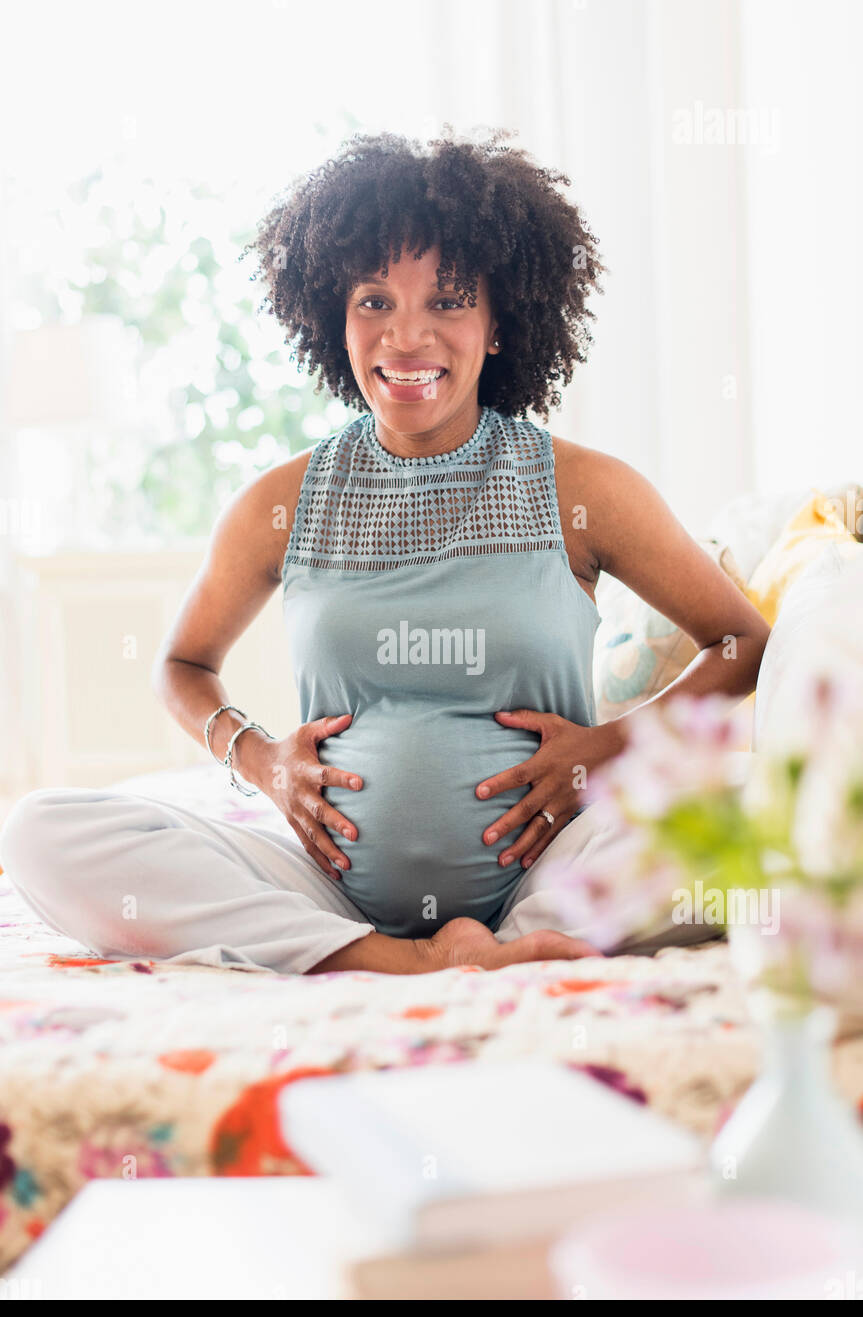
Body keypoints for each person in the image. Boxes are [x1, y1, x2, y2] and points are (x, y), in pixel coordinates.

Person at [0, 128, 769, 976]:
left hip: (556, 866)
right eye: (374, 301)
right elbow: (182, 663)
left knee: (772, 813)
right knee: (39, 829)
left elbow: (741, 641)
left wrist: (609, 746)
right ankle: (392, 957)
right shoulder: (280, 503)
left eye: (446, 302)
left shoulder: (582, 489)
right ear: (334, 317)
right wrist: (262, 763)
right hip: (329, 888)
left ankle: (520, 936)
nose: (406, 338)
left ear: (498, 323)